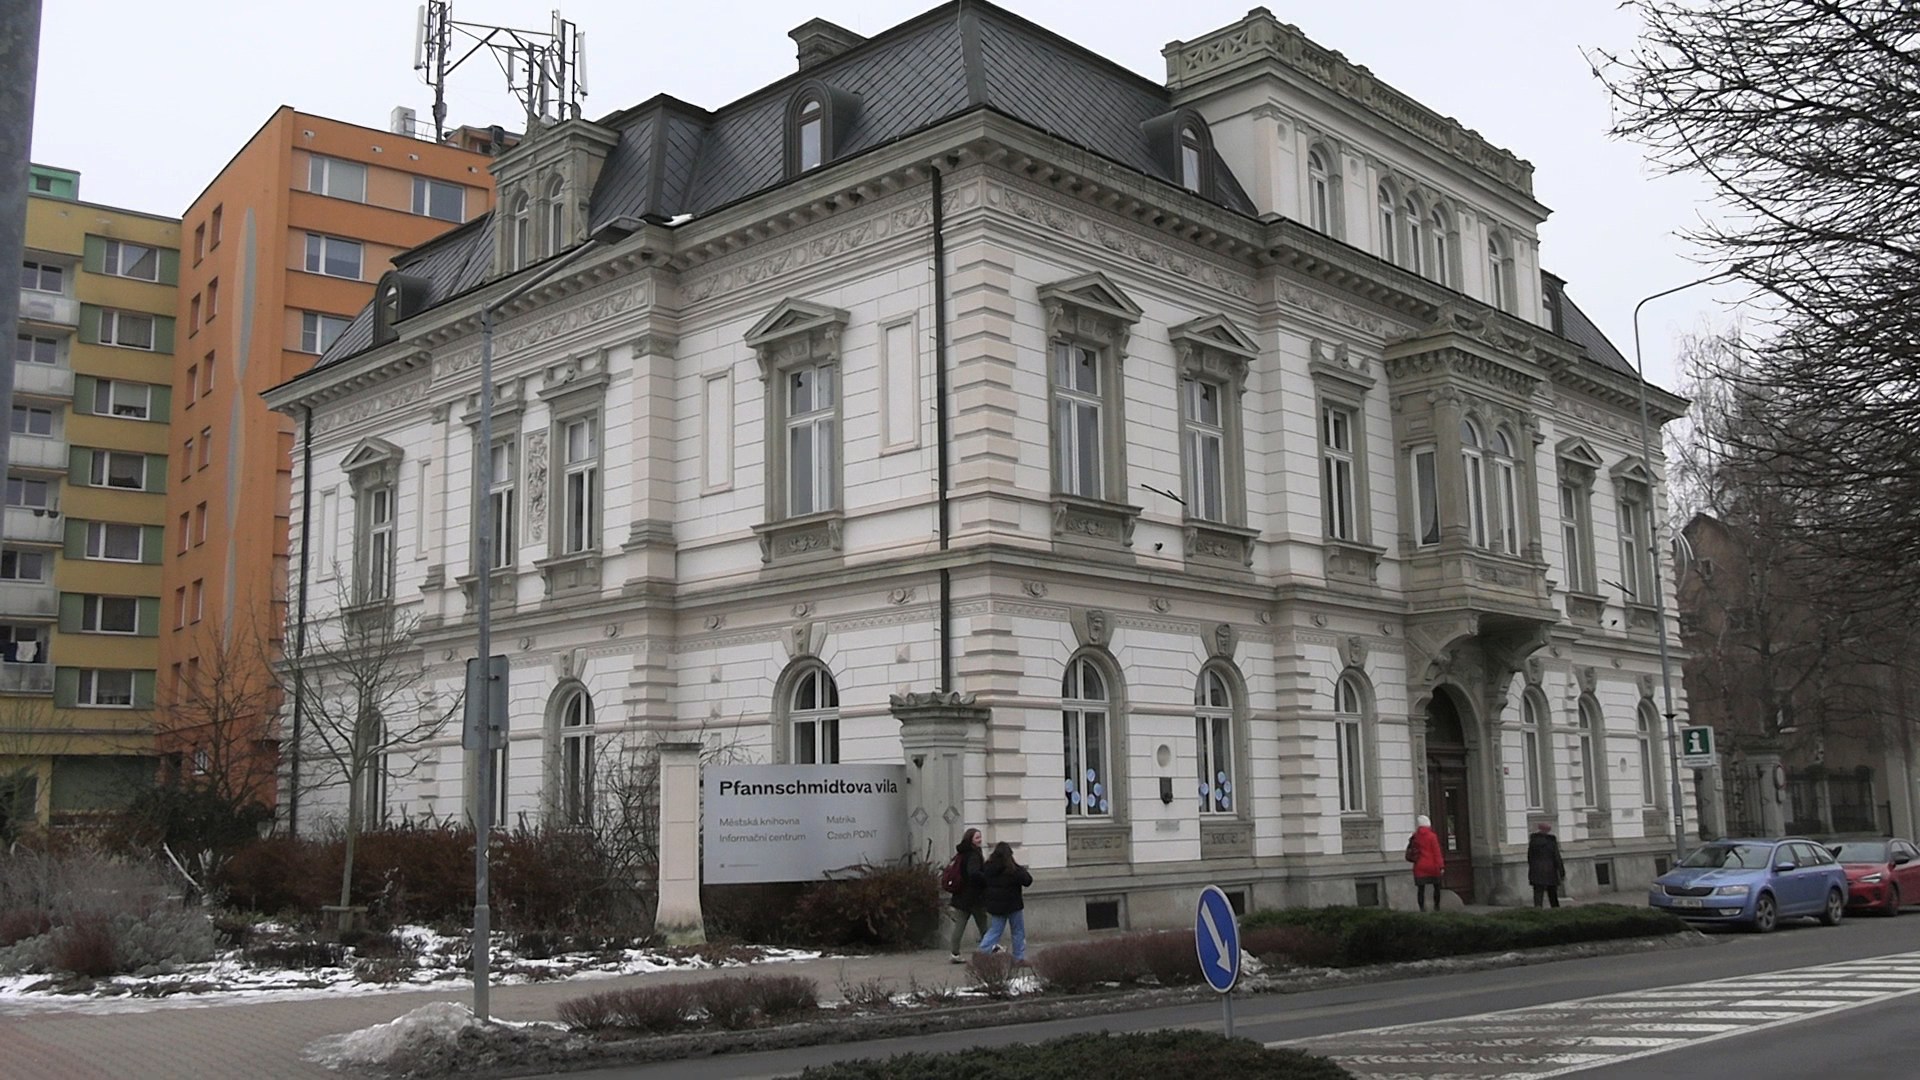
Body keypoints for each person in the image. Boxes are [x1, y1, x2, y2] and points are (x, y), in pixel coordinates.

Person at [974, 840, 1034, 963]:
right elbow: (1028, 880)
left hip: (996, 906)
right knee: (1017, 931)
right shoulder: (1013, 869)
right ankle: (1019, 957)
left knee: (994, 931)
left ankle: (982, 951)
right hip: (1013, 905)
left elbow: (983, 883)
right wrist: (1018, 867)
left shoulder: (988, 868)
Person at [945, 828, 989, 962]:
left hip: (961, 895)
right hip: (974, 896)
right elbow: (973, 873)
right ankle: (989, 948)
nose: (980, 840)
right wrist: (986, 878)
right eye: (977, 837)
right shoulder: (974, 854)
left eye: (980, 837)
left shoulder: (962, 853)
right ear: (971, 839)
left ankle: (954, 953)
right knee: (983, 924)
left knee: (960, 925)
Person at [1410, 814, 1445, 911]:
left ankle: (1422, 909)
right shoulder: (1432, 836)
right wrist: (1441, 866)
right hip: (1433, 866)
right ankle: (1436, 907)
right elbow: (1437, 852)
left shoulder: (1415, 836)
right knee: (1436, 887)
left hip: (1419, 866)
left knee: (1421, 889)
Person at [1528, 821, 1567, 908]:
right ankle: (1556, 911)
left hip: (1536, 871)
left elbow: (1530, 857)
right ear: (1548, 830)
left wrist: (1531, 870)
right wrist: (1562, 872)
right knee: (1553, 895)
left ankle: (1537, 911)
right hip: (1550, 871)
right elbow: (1557, 857)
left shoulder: (1533, 841)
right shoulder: (1551, 841)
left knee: (1538, 894)